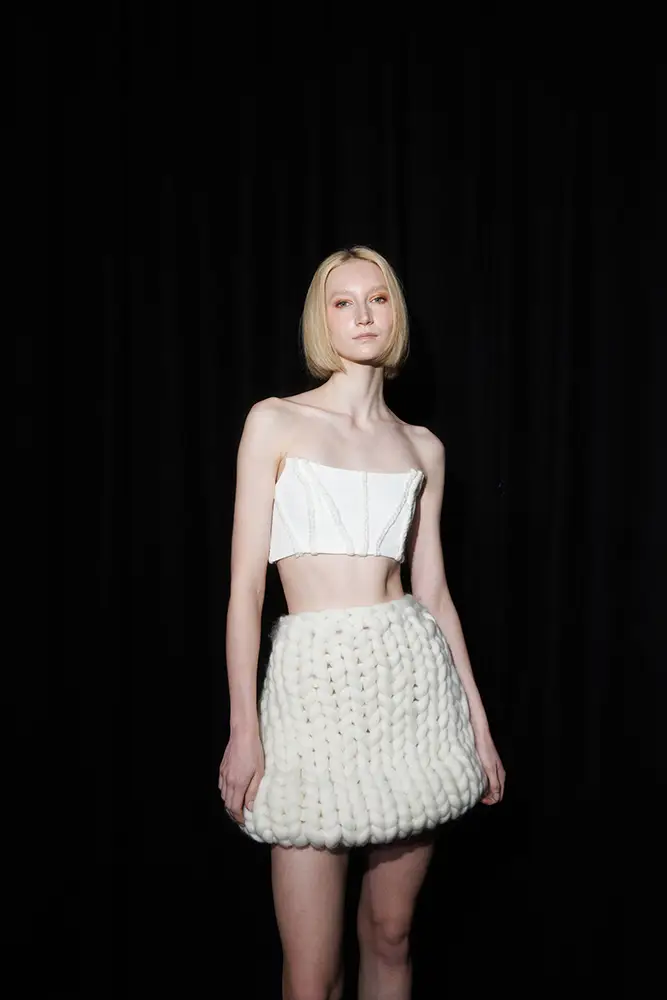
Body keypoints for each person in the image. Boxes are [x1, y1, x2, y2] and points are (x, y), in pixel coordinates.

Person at [218, 246, 506, 1000]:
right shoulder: (274, 422)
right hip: (311, 696)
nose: (362, 315)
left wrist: (478, 725)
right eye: (342, 302)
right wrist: (244, 728)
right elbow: (245, 589)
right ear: (322, 319)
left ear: (395, 313)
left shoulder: (421, 446)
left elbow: (433, 591)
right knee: (311, 974)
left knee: (391, 934)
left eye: (376, 298)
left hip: (412, 695)